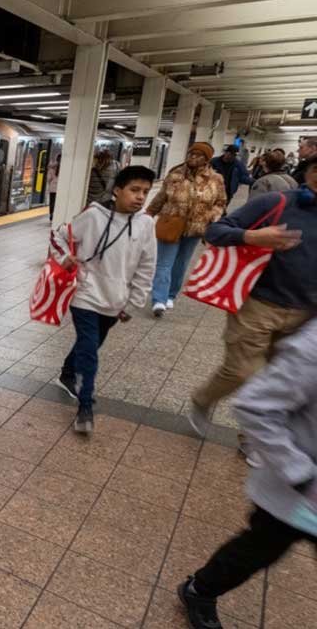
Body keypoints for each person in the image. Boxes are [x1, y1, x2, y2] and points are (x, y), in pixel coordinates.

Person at [178, 317, 317, 629]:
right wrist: (299, 472)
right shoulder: (312, 346)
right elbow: (255, 405)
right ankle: (200, 590)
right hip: (299, 491)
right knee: (258, 549)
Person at [191, 162, 317, 464]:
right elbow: (215, 230)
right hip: (259, 304)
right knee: (244, 371)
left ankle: (253, 439)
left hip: (306, 315)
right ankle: (202, 399)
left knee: (281, 381)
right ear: (311, 173)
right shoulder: (278, 202)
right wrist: (252, 236)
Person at [53, 166, 158, 433]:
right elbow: (60, 235)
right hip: (86, 294)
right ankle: (85, 407)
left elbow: (147, 266)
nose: (140, 197)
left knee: (91, 344)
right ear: (117, 191)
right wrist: (65, 258)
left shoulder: (146, 224)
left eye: (145, 192)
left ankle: (67, 373)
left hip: (116, 300)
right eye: (134, 190)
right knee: (89, 351)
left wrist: (133, 303)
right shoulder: (93, 215)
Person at [145, 142, 227, 318]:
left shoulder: (216, 179)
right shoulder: (175, 174)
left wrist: (211, 216)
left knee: (181, 263)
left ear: (207, 159)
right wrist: (149, 213)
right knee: (164, 263)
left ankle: (171, 294)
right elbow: (161, 196)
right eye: (191, 154)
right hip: (171, 223)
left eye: (199, 155)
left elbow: (220, 202)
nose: (193, 157)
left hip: (196, 227)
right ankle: (159, 300)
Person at [47, 154, 61, 222]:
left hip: (52, 188)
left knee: (52, 202)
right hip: (60, 189)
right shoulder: (64, 168)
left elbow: (49, 178)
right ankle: (56, 215)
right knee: (57, 202)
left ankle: (51, 215)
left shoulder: (52, 168)